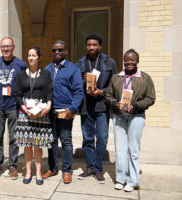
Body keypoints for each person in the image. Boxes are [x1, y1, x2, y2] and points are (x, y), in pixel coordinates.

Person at [106, 49, 155, 192]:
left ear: (137, 61)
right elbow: (108, 94)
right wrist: (115, 103)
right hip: (119, 115)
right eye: (126, 59)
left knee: (133, 149)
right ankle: (121, 179)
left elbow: (150, 98)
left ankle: (133, 180)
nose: (129, 62)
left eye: (132, 60)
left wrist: (136, 106)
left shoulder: (145, 78)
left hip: (137, 115)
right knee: (120, 149)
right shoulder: (116, 77)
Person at [76, 33, 118, 183]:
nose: (92, 47)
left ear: (100, 46)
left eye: (95, 45)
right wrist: (83, 81)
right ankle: (90, 167)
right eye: (89, 45)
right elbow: (76, 85)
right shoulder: (80, 63)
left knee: (102, 138)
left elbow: (115, 86)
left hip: (102, 106)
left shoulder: (110, 62)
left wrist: (102, 91)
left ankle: (98, 169)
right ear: (86, 46)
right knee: (88, 138)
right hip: (86, 106)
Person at [42, 40, 84, 184]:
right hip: (49, 111)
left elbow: (79, 91)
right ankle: (52, 168)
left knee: (66, 141)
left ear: (65, 51)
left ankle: (67, 170)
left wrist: (72, 108)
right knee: (51, 141)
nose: (57, 53)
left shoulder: (73, 68)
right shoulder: (47, 69)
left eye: (60, 50)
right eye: (54, 50)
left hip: (65, 111)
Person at [14, 47, 53, 185]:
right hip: (25, 112)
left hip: (41, 112)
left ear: (39, 58)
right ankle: (28, 171)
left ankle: (38, 172)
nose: (31, 58)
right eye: (29, 55)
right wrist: (24, 108)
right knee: (27, 143)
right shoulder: (21, 75)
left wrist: (48, 106)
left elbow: (49, 91)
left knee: (38, 144)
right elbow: (17, 94)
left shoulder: (46, 74)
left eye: (34, 55)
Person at [0, 37, 27, 179]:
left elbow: (24, 83)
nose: (5, 49)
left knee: (13, 137)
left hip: (14, 106)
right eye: (3, 46)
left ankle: (12, 165)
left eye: (8, 46)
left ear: (13, 47)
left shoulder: (21, 64)